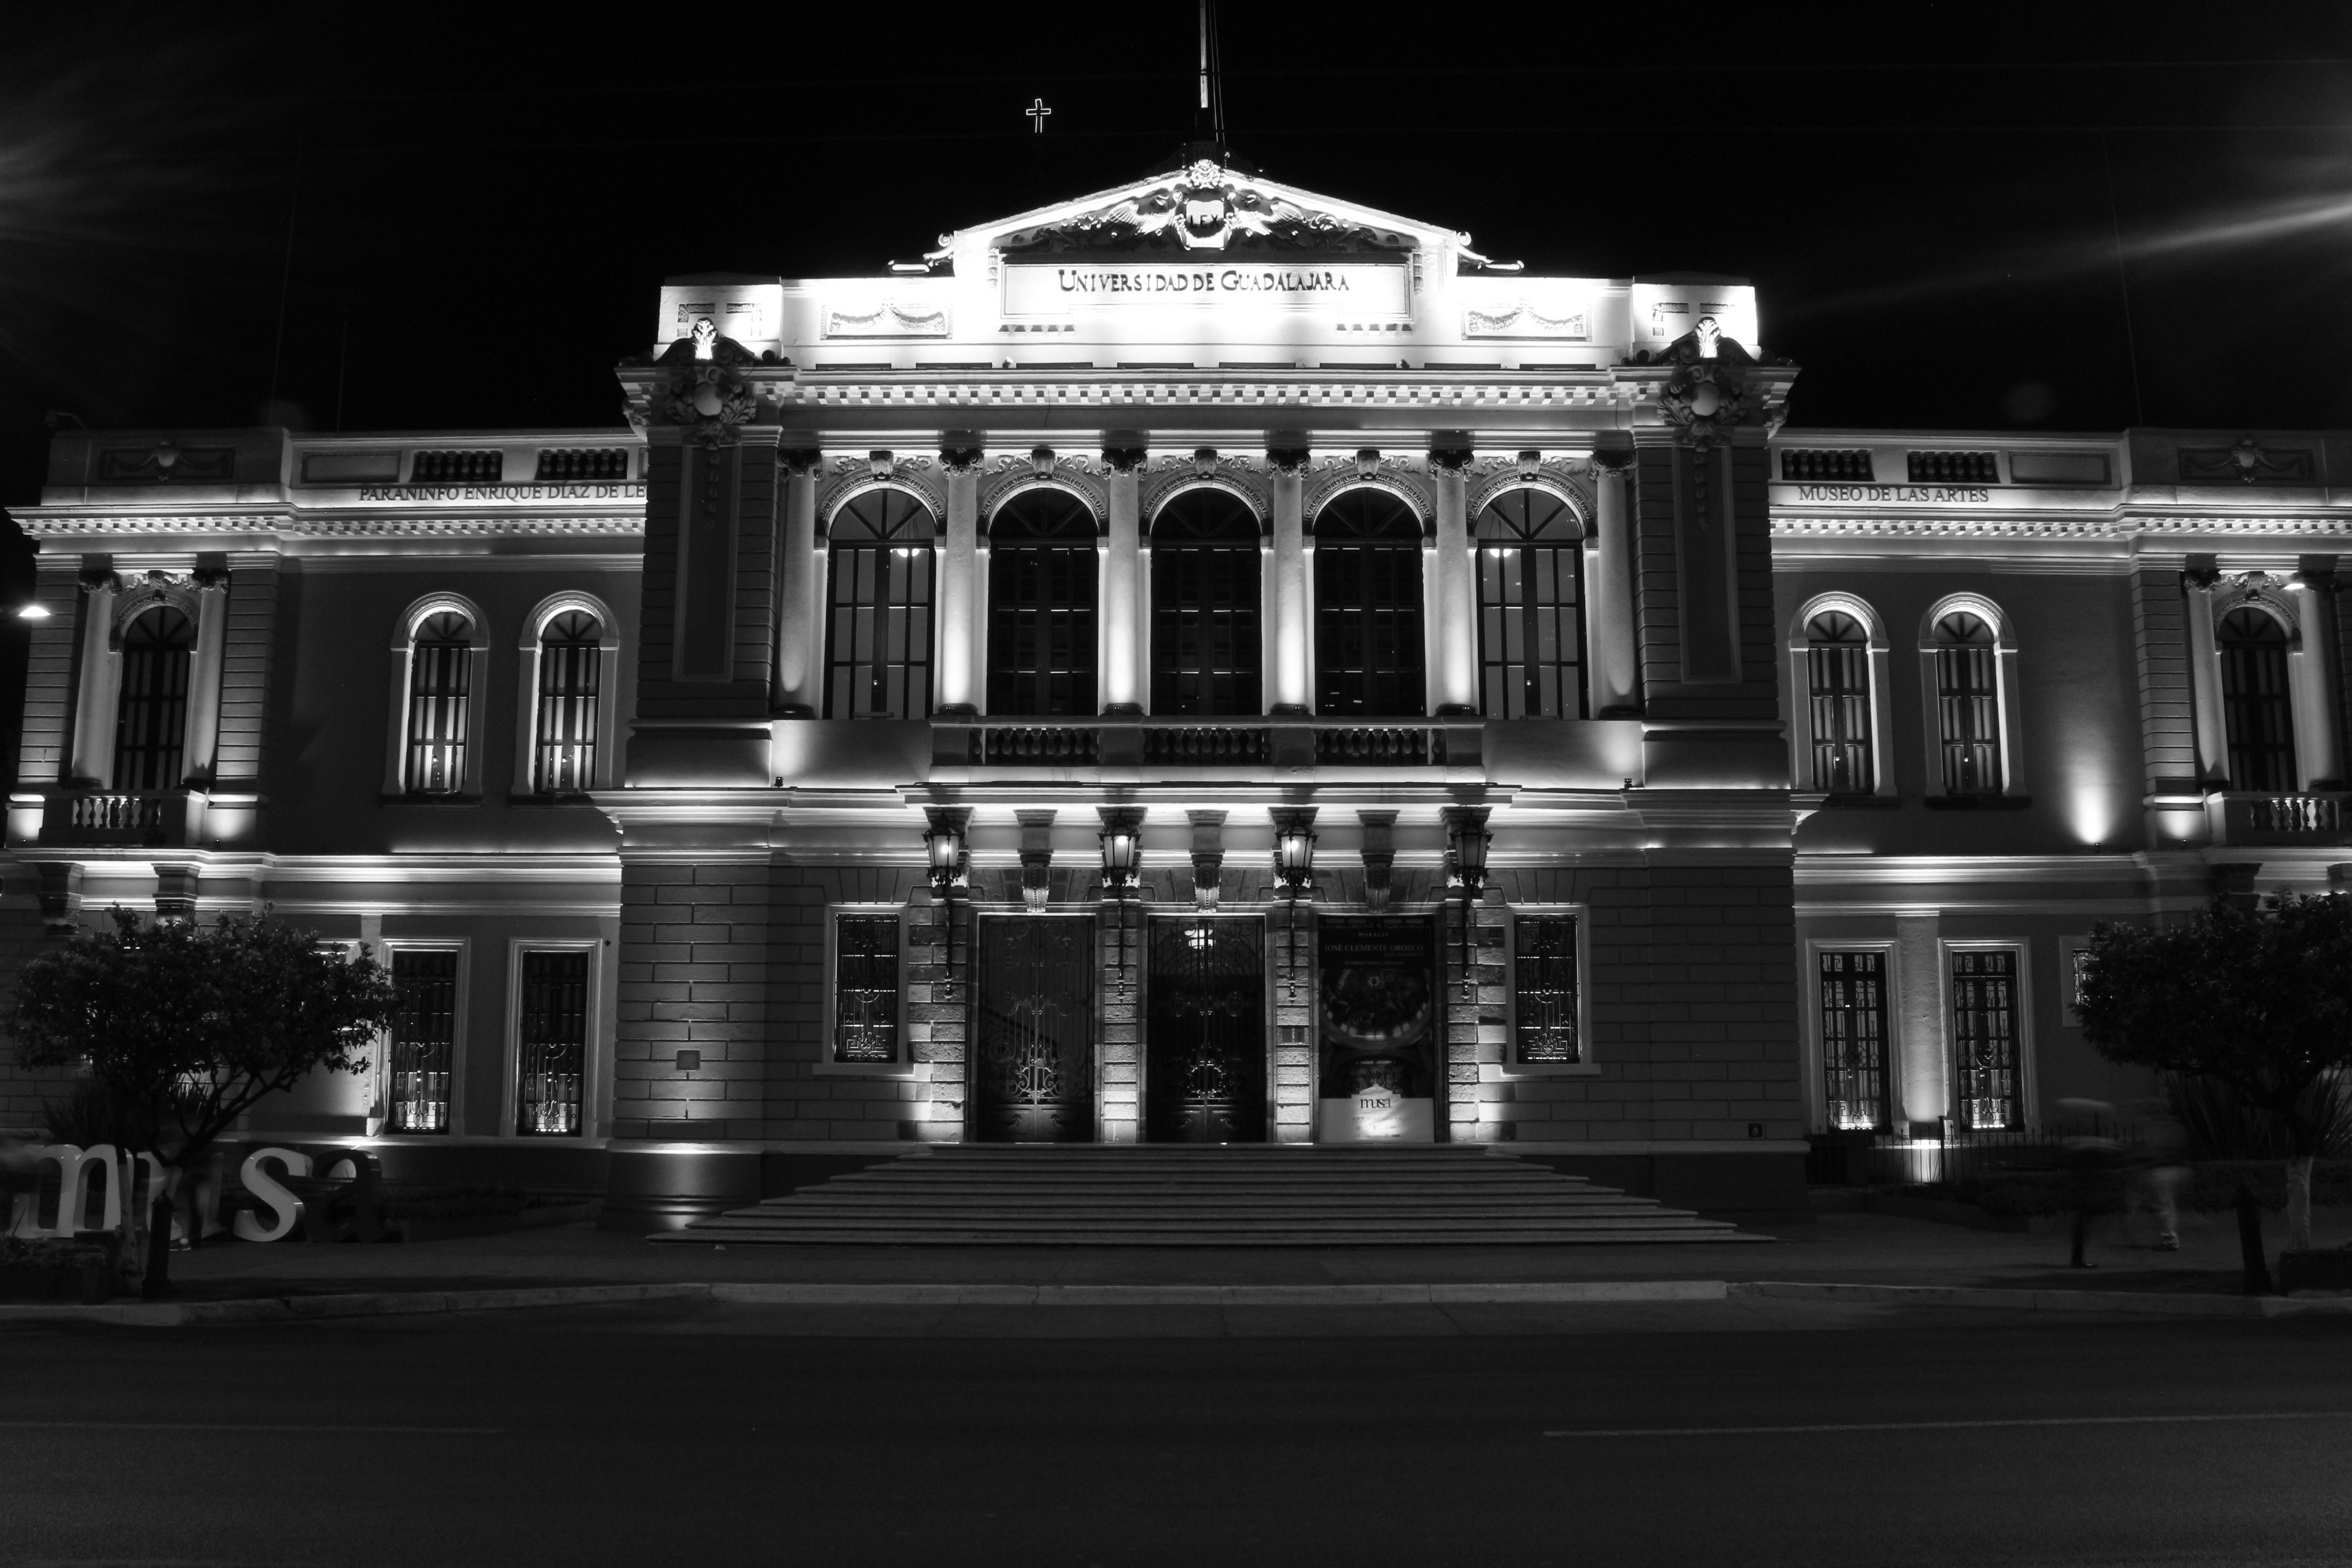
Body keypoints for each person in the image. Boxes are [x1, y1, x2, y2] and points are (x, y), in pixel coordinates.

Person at [2123, 1098, 2191, 1251]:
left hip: (2159, 1171)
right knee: (2164, 1206)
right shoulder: (2174, 1126)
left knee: (2161, 1207)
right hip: (2175, 1169)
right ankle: (2161, 1236)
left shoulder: (2151, 1127)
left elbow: (2147, 1151)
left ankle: (2169, 1240)